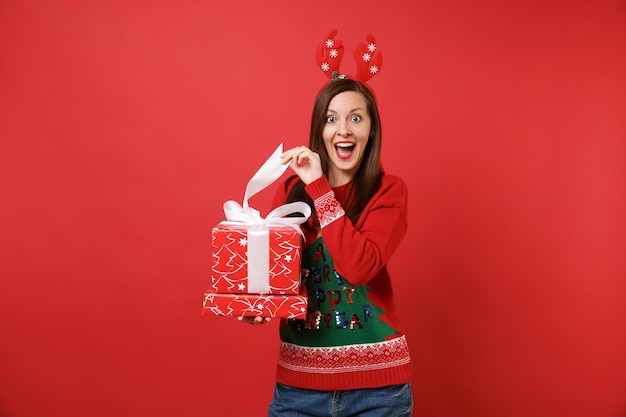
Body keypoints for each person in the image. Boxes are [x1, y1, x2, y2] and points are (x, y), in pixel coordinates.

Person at [240, 74, 413, 416]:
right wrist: (260, 301)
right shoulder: (291, 189)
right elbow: (280, 271)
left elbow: (358, 268)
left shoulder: (389, 191)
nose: (344, 130)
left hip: (378, 390)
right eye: (332, 119)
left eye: (356, 118)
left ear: (371, 129)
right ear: (320, 130)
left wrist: (320, 188)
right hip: (298, 389)